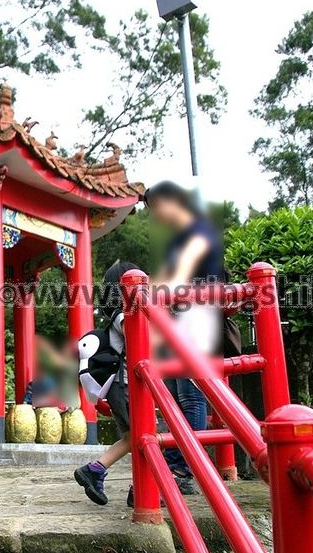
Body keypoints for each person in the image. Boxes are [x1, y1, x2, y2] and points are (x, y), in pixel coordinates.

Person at [144, 181, 225, 494]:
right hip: (182, 321)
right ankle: (180, 462)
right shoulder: (180, 239)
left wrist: (148, 293)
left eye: (155, 209)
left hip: (199, 320)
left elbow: (177, 277)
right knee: (178, 397)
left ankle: (182, 468)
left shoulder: (199, 232)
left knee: (191, 396)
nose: (155, 217)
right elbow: (163, 277)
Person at [73, 261, 138, 506]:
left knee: (134, 438)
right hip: (124, 386)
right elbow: (142, 338)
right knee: (146, 437)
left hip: (119, 388)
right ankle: (141, 489)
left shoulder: (117, 315)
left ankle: (96, 469)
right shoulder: (123, 315)